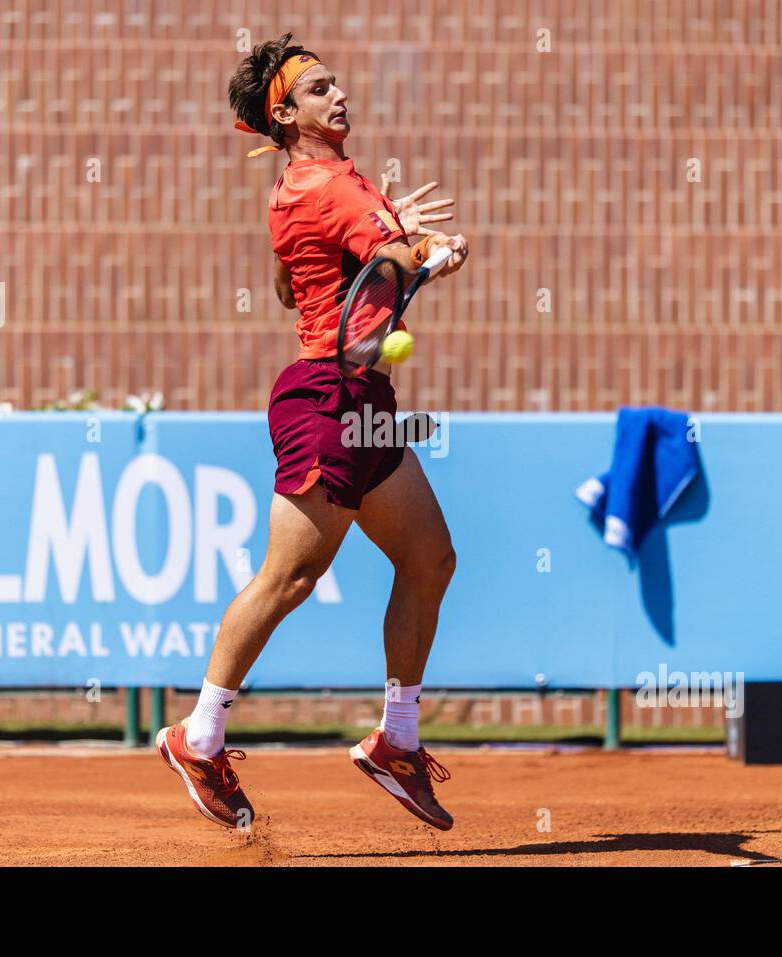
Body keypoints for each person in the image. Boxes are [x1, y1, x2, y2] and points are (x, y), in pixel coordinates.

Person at [155, 32, 469, 832]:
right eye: (319, 88)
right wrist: (437, 250)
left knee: (429, 557)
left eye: (336, 83)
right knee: (288, 578)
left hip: (361, 400)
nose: (339, 94)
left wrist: (394, 235)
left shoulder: (299, 187)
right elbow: (399, 261)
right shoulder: (331, 187)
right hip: (327, 400)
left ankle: (397, 742)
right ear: (286, 113)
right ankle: (199, 737)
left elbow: (291, 289)